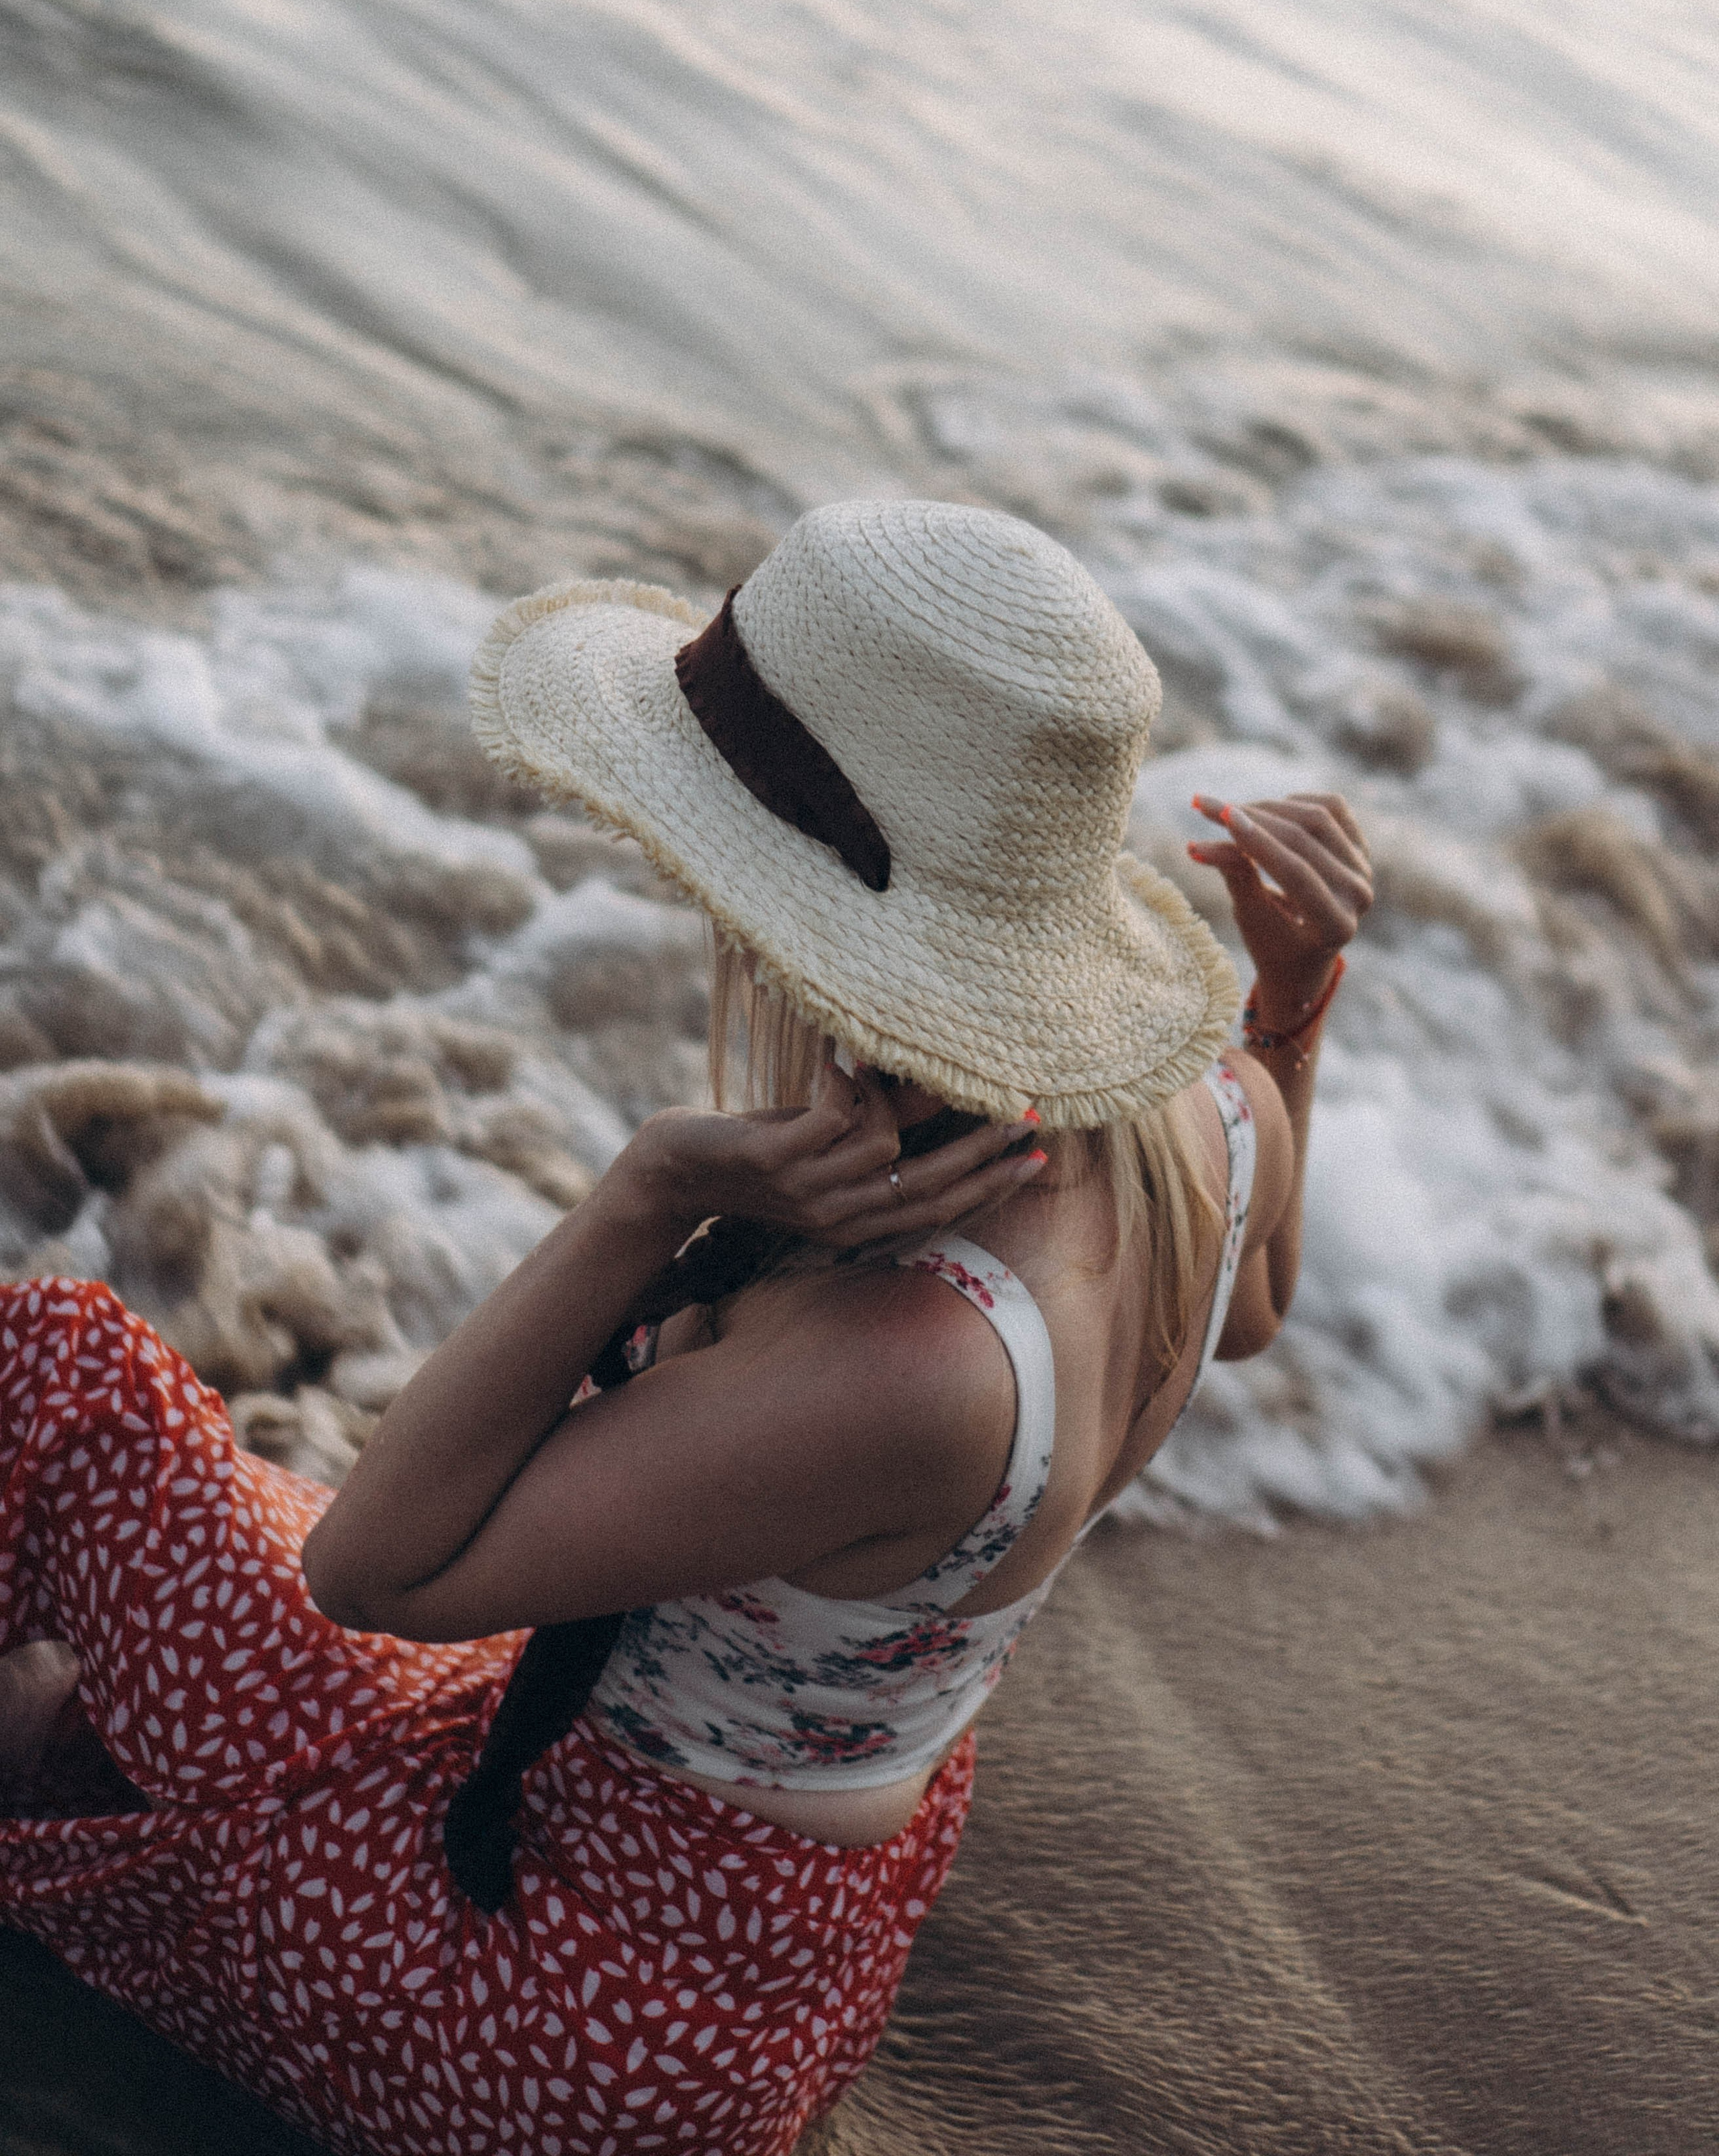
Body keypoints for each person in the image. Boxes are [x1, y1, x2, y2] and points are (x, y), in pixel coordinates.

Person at [0, 500, 1371, 2156]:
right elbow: (1252, 1315)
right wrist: (1288, 1013)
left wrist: (643, 1196)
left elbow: (374, 1576)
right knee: (85, 1705)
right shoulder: (1211, 1113)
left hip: (566, 2002)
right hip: (776, 1948)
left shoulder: (908, 1363)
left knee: (58, 1376)